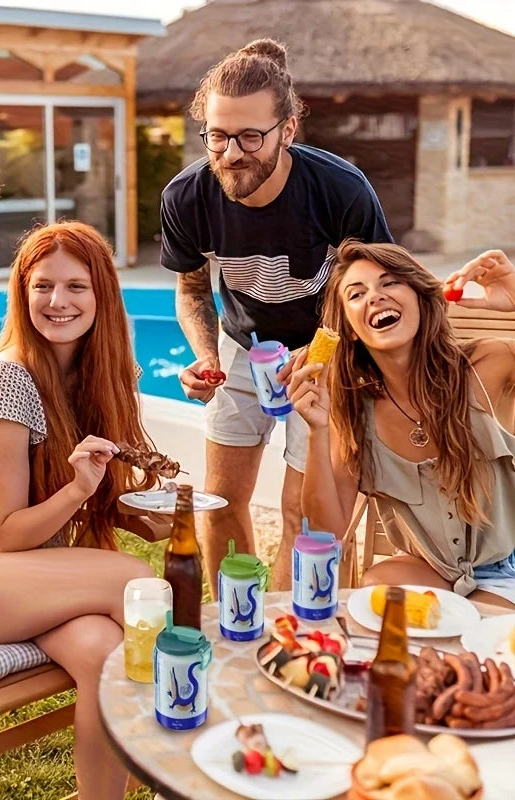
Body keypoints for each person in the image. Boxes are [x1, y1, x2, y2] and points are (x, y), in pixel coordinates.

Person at [0, 221, 158, 800]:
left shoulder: (94, 378)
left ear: (102, 296)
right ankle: (192, 747)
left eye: (75, 287)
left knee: (104, 653)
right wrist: (76, 491)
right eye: (42, 286)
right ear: (22, 292)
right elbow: (11, 532)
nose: (57, 302)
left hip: (19, 578)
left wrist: (142, 513)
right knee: (138, 583)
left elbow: (84, 503)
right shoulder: (10, 380)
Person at [160, 38, 392, 595]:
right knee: (220, 502)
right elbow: (192, 287)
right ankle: (231, 625)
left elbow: (381, 290)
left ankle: (281, 634)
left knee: (298, 510)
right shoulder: (187, 197)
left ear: (287, 129)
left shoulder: (340, 190)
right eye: (218, 136)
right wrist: (206, 354)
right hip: (245, 347)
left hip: (327, 351)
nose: (232, 153)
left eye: (249, 136)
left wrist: (321, 354)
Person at [289, 241, 515, 608]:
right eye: (357, 294)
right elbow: (325, 533)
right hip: (429, 570)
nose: (375, 297)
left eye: (390, 283)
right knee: (380, 589)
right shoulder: (354, 414)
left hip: (507, 570)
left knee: (478, 645)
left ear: (421, 298)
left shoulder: (487, 366)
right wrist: (317, 429)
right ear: (348, 328)